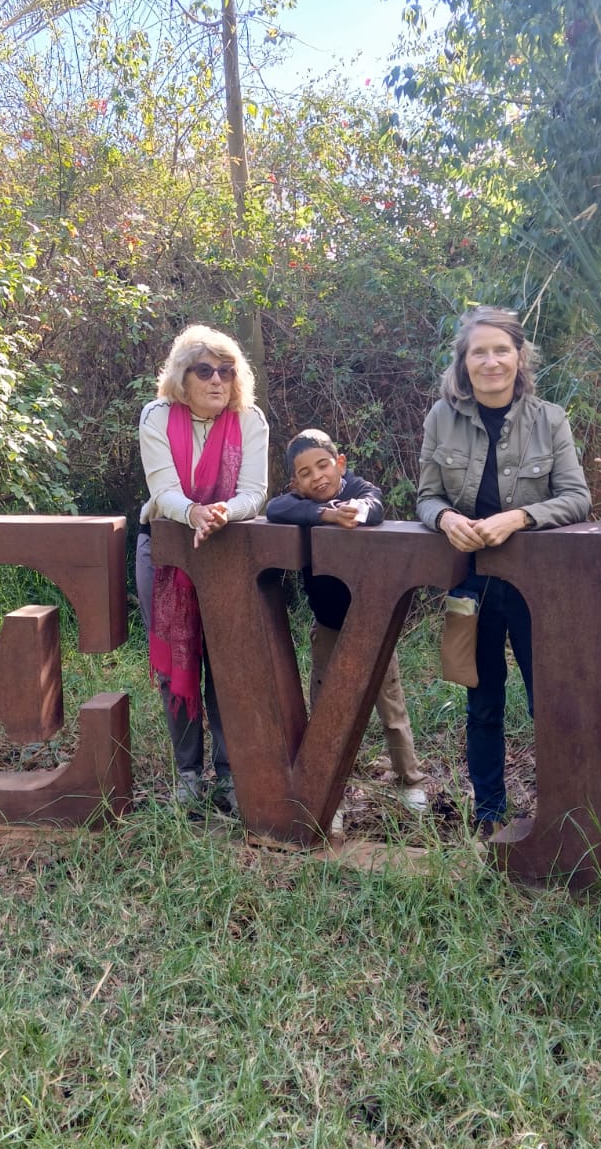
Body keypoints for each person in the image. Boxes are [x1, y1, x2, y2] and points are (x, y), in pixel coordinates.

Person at [416, 306, 591, 835]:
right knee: (482, 701)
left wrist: (519, 517)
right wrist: (446, 518)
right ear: (463, 363)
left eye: (501, 350)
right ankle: (489, 812)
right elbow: (426, 497)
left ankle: (560, 813)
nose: (490, 361)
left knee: (549, 701)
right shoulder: (439, 419)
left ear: (519, 357)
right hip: (472, 583)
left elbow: (578, 498)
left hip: (538, 588)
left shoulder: (550, 418)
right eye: (479, 352)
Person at [265, 429, 429, 836]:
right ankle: (328, 796)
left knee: (391, 709)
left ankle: (410, 781)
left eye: (323, 465)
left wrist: (350, 511)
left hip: (371, 626)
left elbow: (374, 506)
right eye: (304, 473)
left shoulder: (359, 488)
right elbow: (275, 509)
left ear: (340, 463)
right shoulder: (298, 502)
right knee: (324, 710)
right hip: (329, 628)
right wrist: (325, 515)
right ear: (295, 483)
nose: (316, 477)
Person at [136, 325, 269, 815]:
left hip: (228, 550)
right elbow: (162, 490)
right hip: (169, 549)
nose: (218, 381)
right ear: (182, 376)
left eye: (227, 371)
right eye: (206, 370)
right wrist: (193, 512)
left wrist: (221, 513)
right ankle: (188, 776)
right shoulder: (156, 416)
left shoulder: (250, 420)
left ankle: (232, 775)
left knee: (228, 663)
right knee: (178, 664)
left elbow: (254, 493)